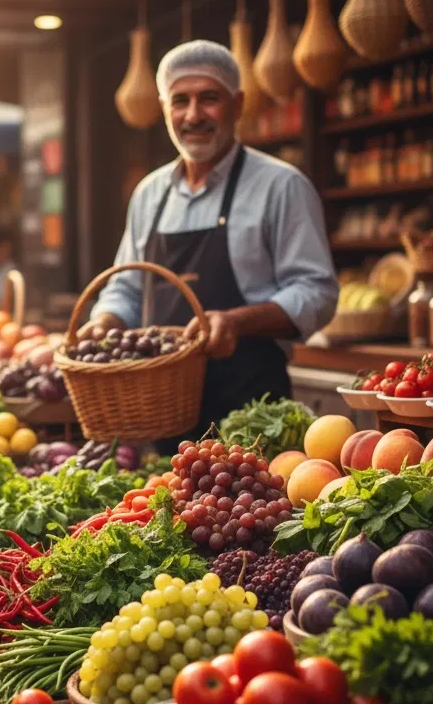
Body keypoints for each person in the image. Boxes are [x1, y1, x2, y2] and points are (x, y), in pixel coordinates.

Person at [82, 39, 338, 436]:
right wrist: (105, 321)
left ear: (238, 104)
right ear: (164, 108)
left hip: (254, 419)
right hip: (158, 417)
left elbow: (317, 292)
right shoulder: (149, 194)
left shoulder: (281, 186)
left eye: (209, 98)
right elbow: (127, 288)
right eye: (180, 100)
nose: (193, 114)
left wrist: (236, 322)